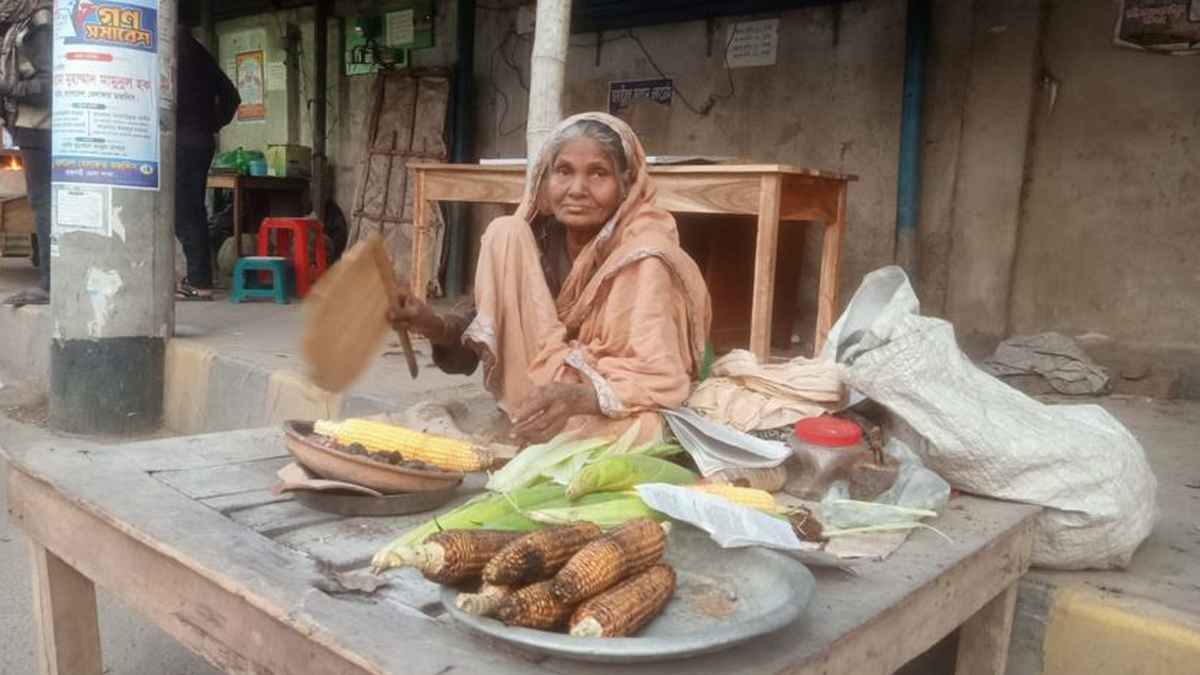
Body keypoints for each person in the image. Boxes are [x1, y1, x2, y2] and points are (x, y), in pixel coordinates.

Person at [388, 112, 712, 444]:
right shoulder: (535, 238)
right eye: (564, 171)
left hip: (610, 401)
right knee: (504, 230)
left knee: (643, 431)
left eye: (598, 173)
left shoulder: (646, 254)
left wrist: (580, 398)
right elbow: (487, 331)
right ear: (544, 180)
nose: (577, 189)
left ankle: (558, 427)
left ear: (626, 184)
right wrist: (431, 324)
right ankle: (536, 418)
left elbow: (660, 379)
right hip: (539, 400)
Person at [175, 14, 239, 300]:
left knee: (183, 210)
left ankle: (199, 280)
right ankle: (199, 276)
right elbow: (232, 97)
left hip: (180, 142)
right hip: (200, 141)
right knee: (193, 208)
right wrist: (211, 124)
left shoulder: (170, 56)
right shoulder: (202, 56)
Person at [0, 0, 51, 307]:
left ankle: (50, 282)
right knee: (42, 201)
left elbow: (51, 83)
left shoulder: (37, 24)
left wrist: (7, 88)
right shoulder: (18, 25)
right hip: (30, 127)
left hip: (43, 126)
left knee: (44, 202)